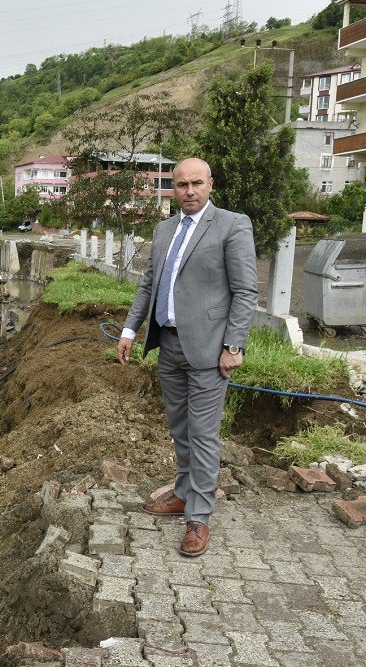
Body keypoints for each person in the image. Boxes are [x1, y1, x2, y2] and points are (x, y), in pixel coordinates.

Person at [116, 157, 258, 557]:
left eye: (197, 183)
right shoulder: (164, 230)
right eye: (182, 185)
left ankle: (198, 516)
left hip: (211, 350)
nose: (190, 191)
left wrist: (234, 346)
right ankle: (182, 492)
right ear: (172, 189)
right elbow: (148, 285)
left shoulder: (232, 225)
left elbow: (246, 292)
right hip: (170, 345)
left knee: (204, 433)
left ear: (210, 184)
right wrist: (130, 330)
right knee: (180, 428)